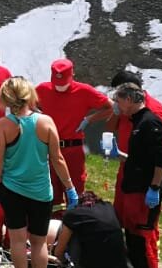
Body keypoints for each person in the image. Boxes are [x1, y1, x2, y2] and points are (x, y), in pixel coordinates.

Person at [0, 76, 77, 268]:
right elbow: (57, 158)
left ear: (6, 100)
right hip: (41, 193)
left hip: (12, 190)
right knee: (39, 243)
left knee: (17, 240)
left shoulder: (4, 125)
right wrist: (70, 188)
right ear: (30, 96)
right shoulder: (46, 122)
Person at [112, 82, 162, 268]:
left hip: (144, 193)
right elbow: (142, 157)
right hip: (133, 189)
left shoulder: (151, 122)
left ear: (129, 99)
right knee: (134, 241)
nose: (117, 106)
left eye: (119, 101)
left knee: (142, 242)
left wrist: (155, 188)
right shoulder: (138, 122)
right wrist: (121, 156)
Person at [35, 58, 112, 198]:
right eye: (56, 83)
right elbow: (27, 104)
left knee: (76, 189)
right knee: (50, 190)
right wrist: (38, 116)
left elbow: (111, 107)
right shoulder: (42, 89)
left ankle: (75, 216)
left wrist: (89, 119)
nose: (60, 87)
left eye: (63, 83)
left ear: (72, 76)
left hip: (73, 149)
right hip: (49, 148)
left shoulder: (84, 91)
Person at [53, 191, 134, 268]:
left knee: (74, 233)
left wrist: (60, 261)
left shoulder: (74, 214)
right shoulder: (109, 208)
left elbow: (58, 251)